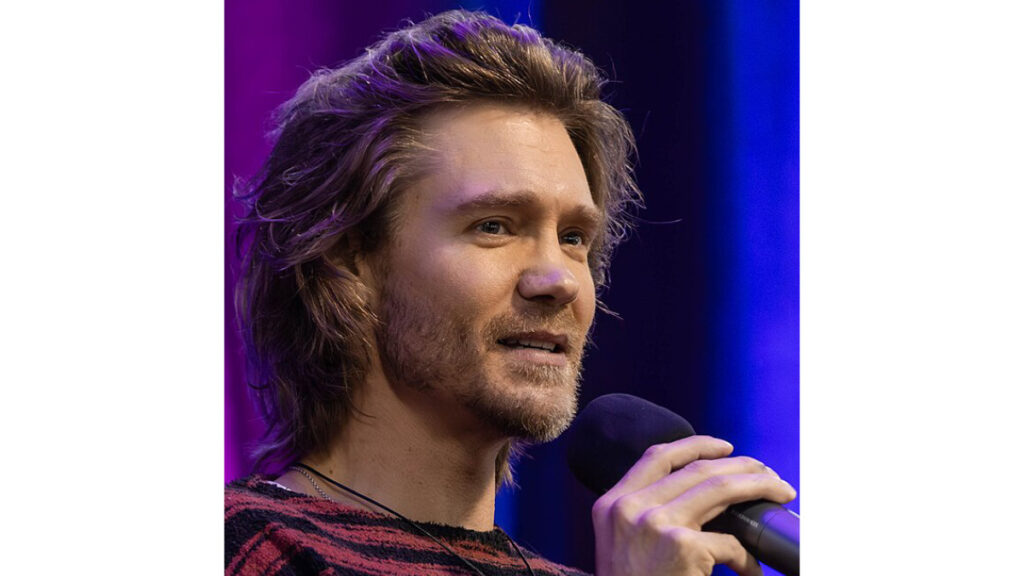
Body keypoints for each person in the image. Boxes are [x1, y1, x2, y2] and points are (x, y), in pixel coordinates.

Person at [225, 9, 796, 576]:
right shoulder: (245, 547)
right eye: (494, 226)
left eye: (573, 238)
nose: (559, 279)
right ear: (349, 260)